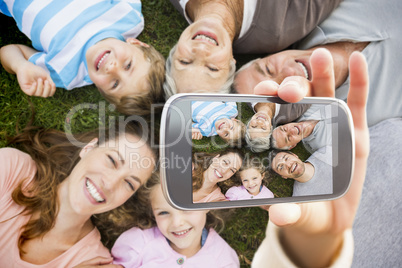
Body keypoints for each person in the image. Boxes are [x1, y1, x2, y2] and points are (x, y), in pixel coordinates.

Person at [250, 48, 370, 267]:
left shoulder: (308, 106)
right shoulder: (322, 149)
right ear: (284, 177)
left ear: (294, 149)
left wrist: (264, 112)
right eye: (282, 167)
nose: (288, 133)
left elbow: (272, 102)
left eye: (283, 131)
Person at [0, 123, 157, 267]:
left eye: (129, 184)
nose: (110, 184)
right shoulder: (12, 171)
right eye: (111, 160)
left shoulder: (94, 262)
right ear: (88, 148)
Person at [233, 0, 402, 128]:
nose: (289, 74)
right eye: (281, 91)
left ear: (273, 53)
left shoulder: (314, 13)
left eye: (269, 69)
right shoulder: (365, 116)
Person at [0, 0, 165, 116]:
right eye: (128, 66)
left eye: (115, 84)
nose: (112, 68)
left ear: (101, 90)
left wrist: (21, 65)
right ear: (137, 44)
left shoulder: (65, 73)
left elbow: (10, 50)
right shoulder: (130, 17)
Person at [164, 0, 342, 97]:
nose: (202, 51)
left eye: (185, 61)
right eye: (212, 68)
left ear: (175, 50)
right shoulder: (280, 27)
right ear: (230, 63)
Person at [112, 178, 240, 267]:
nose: (177, 223)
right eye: (163, 213)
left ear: (207, 203)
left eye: (186, 208)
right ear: (153, 212)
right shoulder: (137, 245)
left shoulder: (223, 260)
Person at [245, 102, 311, 152]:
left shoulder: (248, 97)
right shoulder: (290, 113)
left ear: (248, 123)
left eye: (253, 126)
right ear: (271, 128)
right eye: (263, 128)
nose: (259, 122)